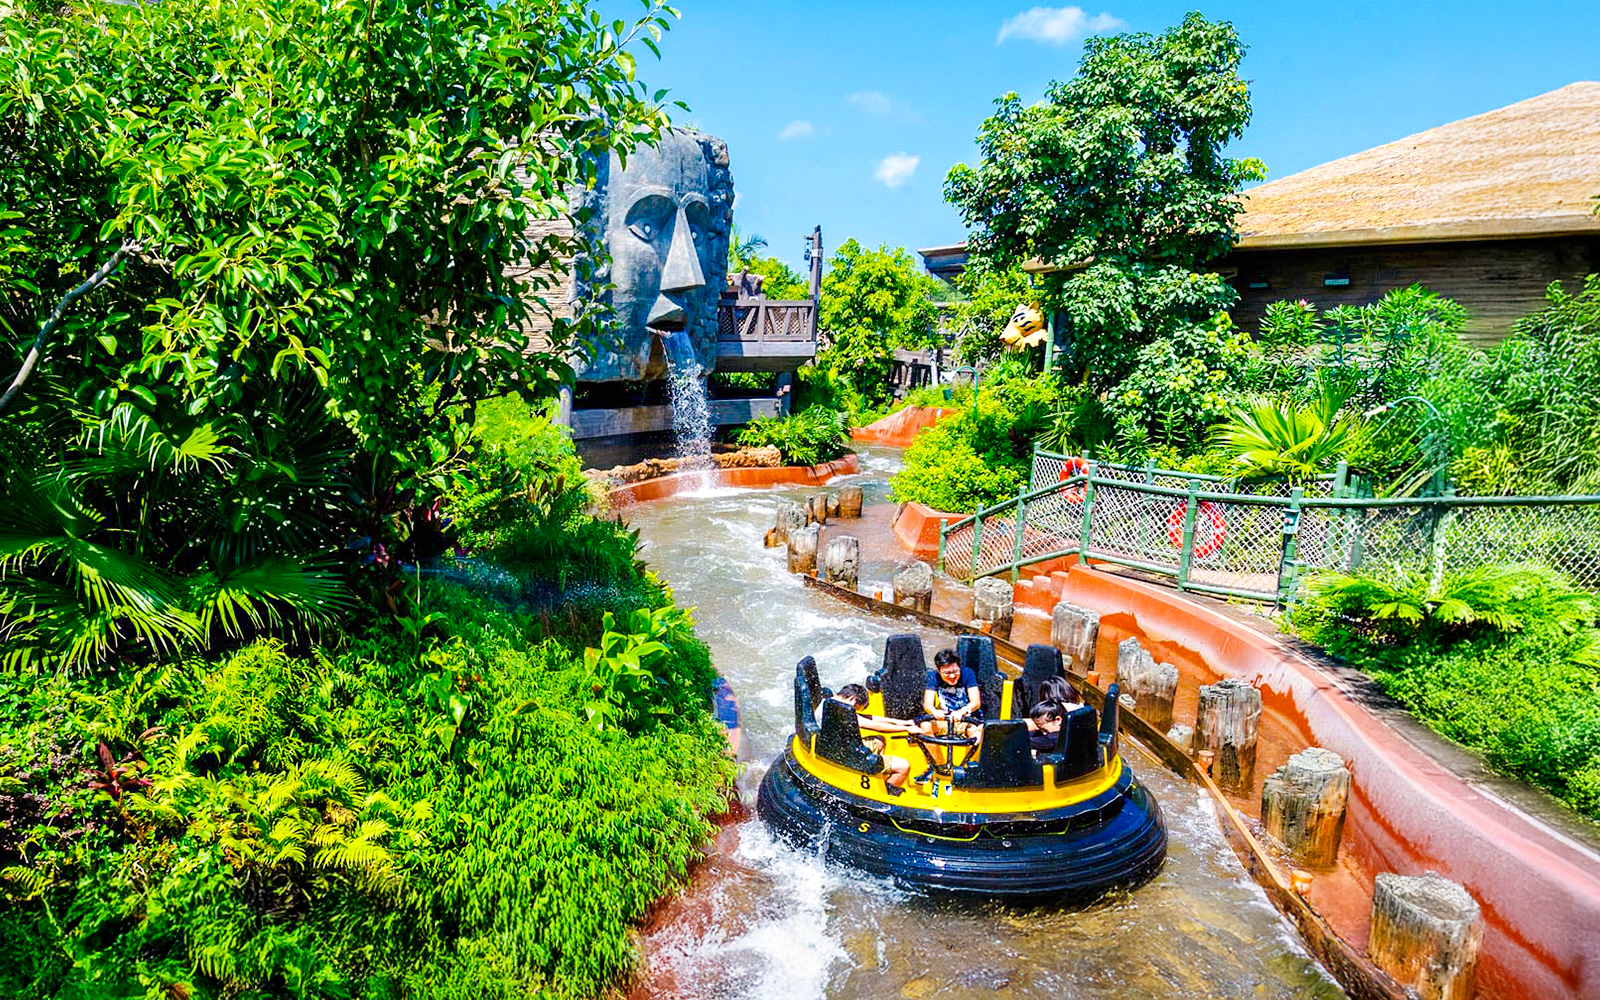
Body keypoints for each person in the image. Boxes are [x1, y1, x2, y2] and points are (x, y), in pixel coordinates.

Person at [833, 684, 917, 791]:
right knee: (903, 766)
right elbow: (876, 726)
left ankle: (878, 774)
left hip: (837, 747)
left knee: (879, 740)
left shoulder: (830, 703)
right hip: (845, 754)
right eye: (856, 709)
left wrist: (904, 722)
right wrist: (906, 729)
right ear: (852, 699)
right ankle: (884, 792)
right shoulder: (844, 712)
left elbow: (870, 718)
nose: (855, 711)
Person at [922, 648, 982, 739]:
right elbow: (927, 705)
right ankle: (935, 749)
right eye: (947, 673)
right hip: (943, 719)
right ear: (939, 671)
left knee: (975, 731)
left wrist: (961, 712)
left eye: (955, 671)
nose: (952, 676)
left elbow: (976, 702)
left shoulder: (968, 673)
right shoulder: (933, 676)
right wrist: (934, 712)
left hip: (966, 719)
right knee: (925, 726)